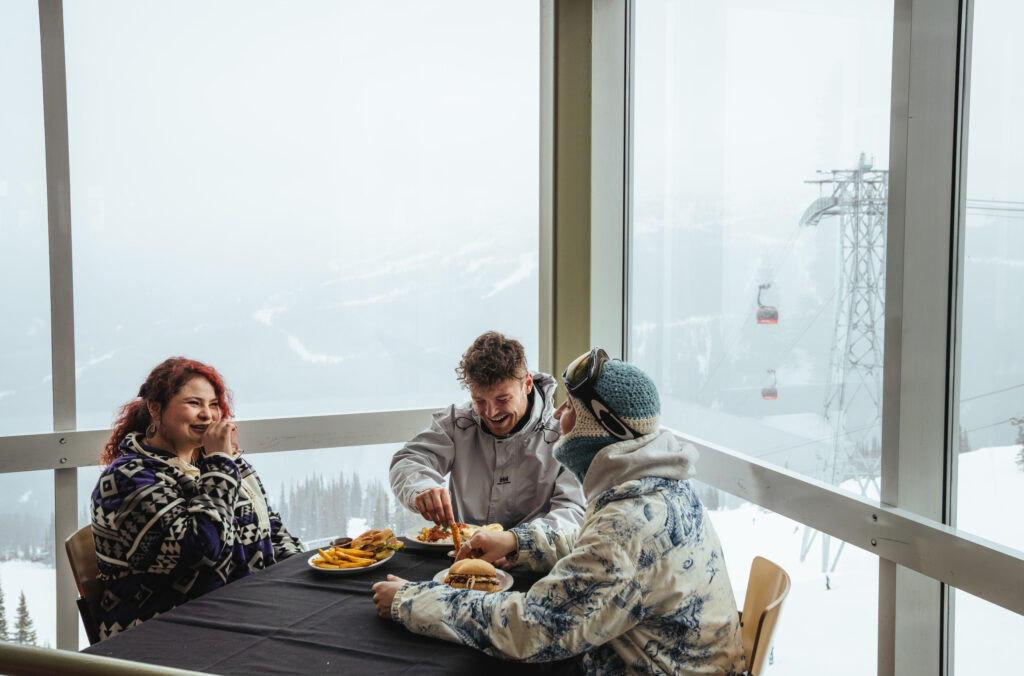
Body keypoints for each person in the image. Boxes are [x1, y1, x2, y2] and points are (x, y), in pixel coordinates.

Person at [373, 349, 745, 674]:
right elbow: (594, 547)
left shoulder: (626, 525)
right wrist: (516, 542)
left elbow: (534, 628)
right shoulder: (657, 485)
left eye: (570, 407)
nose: (559, 413)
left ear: (598, 428)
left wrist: (412, 602)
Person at [90, 357, 303, 639]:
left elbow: (271, 529)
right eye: (194, 403)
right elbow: (201, 551)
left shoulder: (225, 465)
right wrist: (219, 463)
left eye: (213, 404)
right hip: (164, 634)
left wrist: (306, 572)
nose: (208, 415)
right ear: (155, 408)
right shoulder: (128, 478)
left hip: (242, 613)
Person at [389, 331, 586, 543]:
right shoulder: (456, 423)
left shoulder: (565, 433)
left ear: (527, 384)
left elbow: (572, 511)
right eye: (479, 400)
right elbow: (408, 460)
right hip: (462, 559)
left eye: (502, 399)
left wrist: (518, 543)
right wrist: (423, 487)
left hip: (535, 565)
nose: (491, 413)